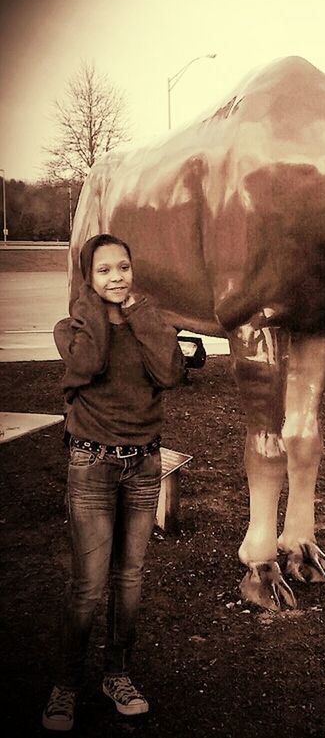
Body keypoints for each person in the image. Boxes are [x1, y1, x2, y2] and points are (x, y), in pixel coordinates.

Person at [42, 234, 185, 731]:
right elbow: (87, 363)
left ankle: (117, 674)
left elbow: (170, 372)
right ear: (89, 278)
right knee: (88, 585)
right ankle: (66, 685)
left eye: (123, 267)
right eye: (103, 271)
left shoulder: (149, 322)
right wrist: (94, 308)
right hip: (92, 467)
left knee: (130, 581)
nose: (116, 278)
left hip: (144, 467)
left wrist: (141, 311)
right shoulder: (72, 328)